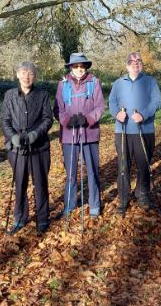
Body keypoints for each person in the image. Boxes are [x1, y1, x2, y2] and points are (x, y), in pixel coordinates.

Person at [0, 61, 54, 236]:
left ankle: (43, 218)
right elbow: (4, 120)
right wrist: (12, 136)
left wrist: (35, 134)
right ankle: (20, 218)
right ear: (17, 75)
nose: (26, 77)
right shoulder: (9, 95)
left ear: (35, 76)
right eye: (23, 73)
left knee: (40, 183)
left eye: (30, 73)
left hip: (39, 146)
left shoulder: (42, 94)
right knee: (20, 183)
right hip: (17, 148)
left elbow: (48, 118)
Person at [53, 53, 105, 220]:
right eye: (75, 66)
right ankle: (70, 204)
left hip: (89, 133)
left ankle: (95, 205)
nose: (79, 69)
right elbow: (58, 109)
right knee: (70, 173)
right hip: (69, 134)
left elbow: (100, 106)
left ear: (86, 67)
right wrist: (67, 121)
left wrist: (88, 119)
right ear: (70, 68)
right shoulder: (62, 85)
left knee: (92, 171)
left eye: (82, 66)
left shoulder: (94, 82)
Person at [108, 52, 161, 214]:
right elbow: (112, 102)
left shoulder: (150, 81)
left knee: (144, 165)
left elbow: (156, 102)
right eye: (131, 61)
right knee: (124, 166)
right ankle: (123, 198)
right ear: (126, 65)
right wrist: (117, 113)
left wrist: (143, 114)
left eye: (138, 61)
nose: (135, 63)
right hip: (123, 131)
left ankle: (143, 196)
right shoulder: (118, 83)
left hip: (144, 130)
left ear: (142, 64)